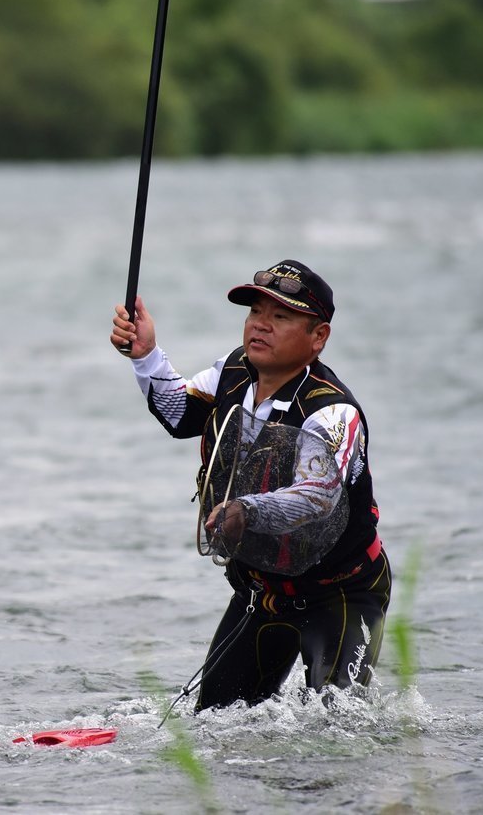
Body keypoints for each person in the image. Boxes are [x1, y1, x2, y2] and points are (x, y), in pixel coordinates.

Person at [110, 260, 391, 711]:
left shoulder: (333, 412)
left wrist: (247, 511)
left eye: (280, 317)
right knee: (213, 725)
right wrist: (145, 355)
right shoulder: (233, 371)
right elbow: (179, 413)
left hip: (341, 592)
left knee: (337, 728)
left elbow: (317, 495)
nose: (260, 326)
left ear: (318, 337)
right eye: (255, 313)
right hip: (262, 593)